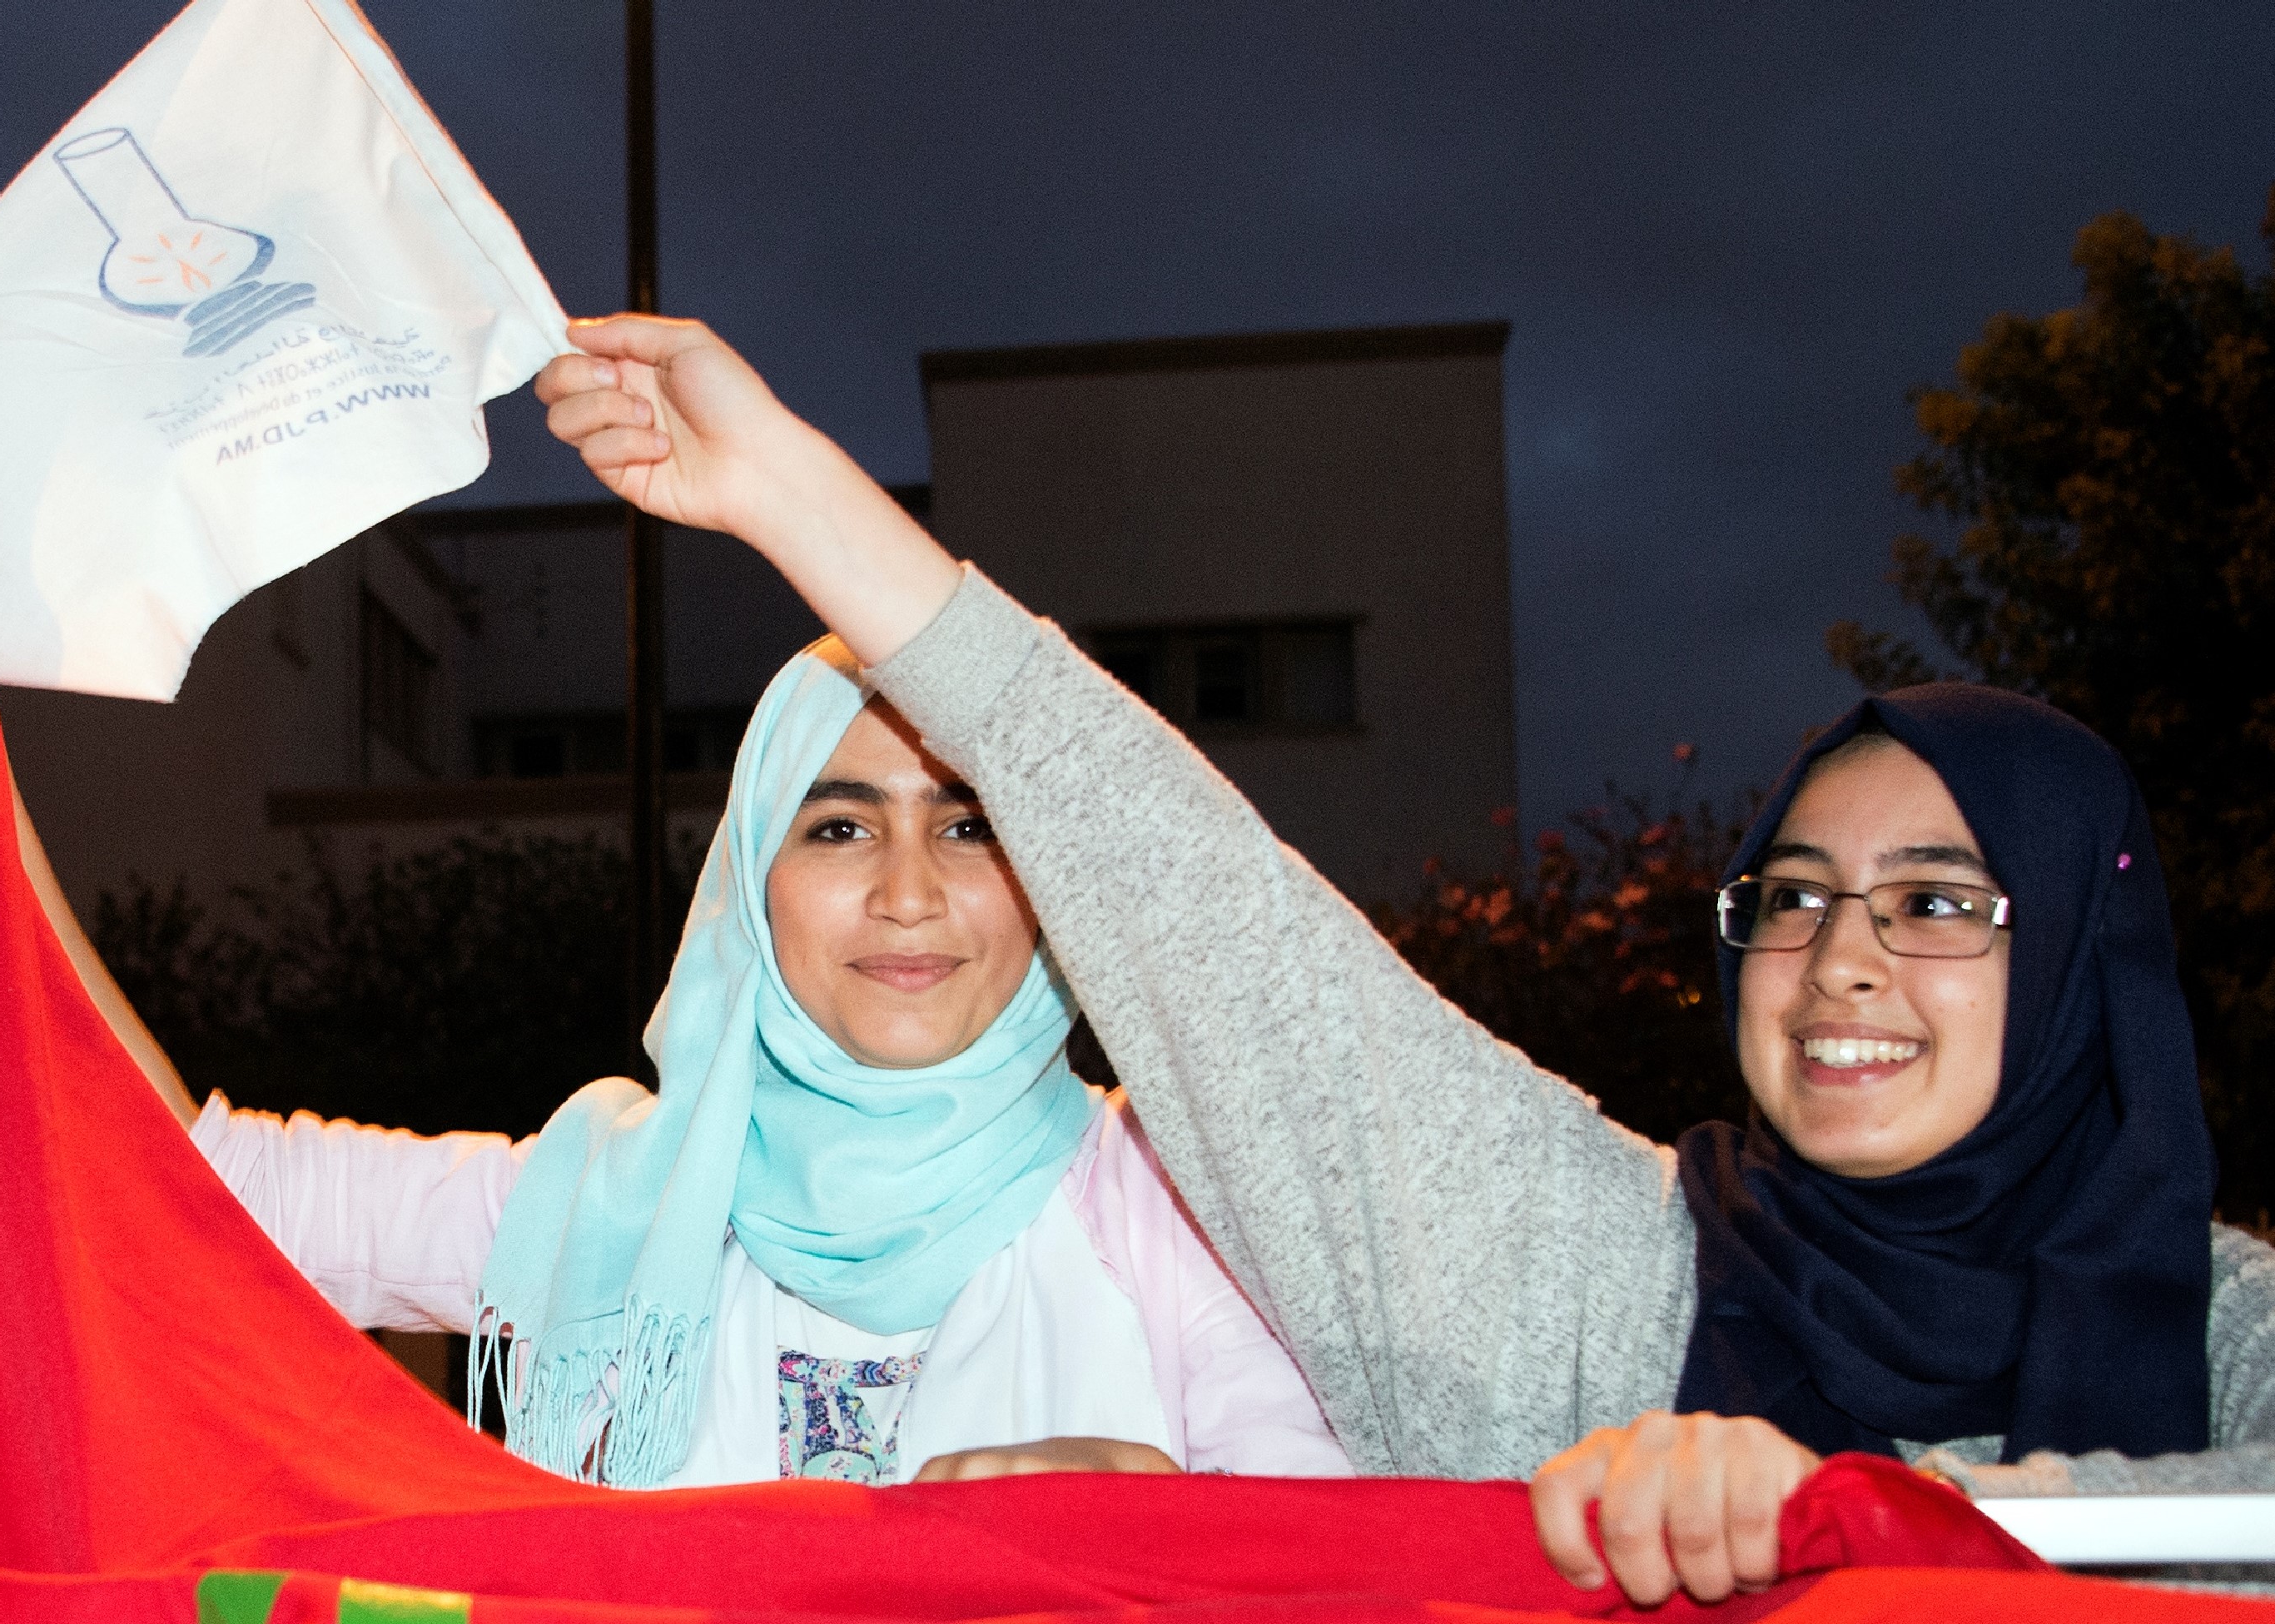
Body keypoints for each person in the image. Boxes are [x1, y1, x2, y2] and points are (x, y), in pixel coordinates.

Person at [531, 310, 2275, 1600]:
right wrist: (802, 501)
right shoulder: (1602, 1276)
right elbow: (1226, 932)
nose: (1840, 962)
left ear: (2081, 965)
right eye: (1794, 894)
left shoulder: (2242, 1333)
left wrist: (1844, 1511)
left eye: (1940, 899)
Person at [121, 638, 1349, 1489]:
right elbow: (175, 1182)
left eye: (969, 825)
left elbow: (1334, 1561)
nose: (907, 893)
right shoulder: (617, 1202)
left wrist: (1177, 1524)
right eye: (840, 825)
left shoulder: (1181, 1200)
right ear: (752, 886)